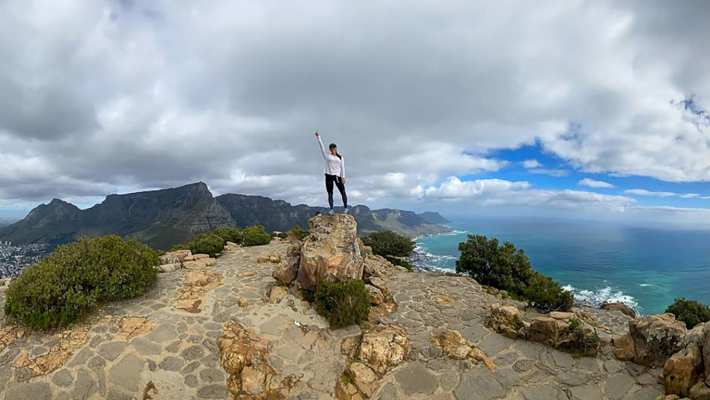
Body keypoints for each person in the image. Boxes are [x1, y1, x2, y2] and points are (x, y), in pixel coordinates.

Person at [314, 131, 348, 214]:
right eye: (331, 149)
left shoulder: (340, 157)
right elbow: (321, 147)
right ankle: (331, 209)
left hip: (337, 176)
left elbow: (342, 167)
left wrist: (343, 177)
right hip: (328, 175)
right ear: (330, 149)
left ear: (336, 149)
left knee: (342, 191)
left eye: (334, 149)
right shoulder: (327, 156)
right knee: (330, 193)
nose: (333, 150)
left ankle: (346, 207)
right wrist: (318, 137)